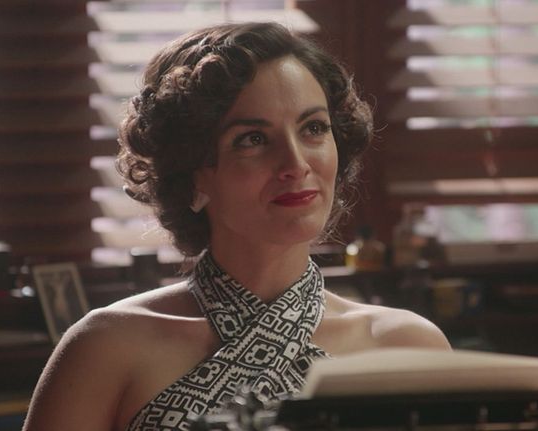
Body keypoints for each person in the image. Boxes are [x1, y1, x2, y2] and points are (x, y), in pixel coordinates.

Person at [23, 22, 451, 431]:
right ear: (193, 172)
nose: (296, 164)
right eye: (253, 139)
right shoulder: (105, 348)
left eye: (313, 128)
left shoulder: (407, 345)